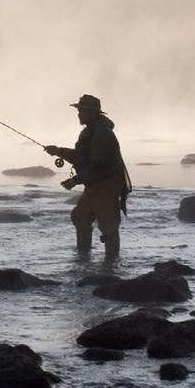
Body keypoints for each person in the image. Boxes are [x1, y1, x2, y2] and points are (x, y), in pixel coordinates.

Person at [44, 94, 131, 264]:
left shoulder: (102, 135)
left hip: (106, 185)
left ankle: (111, 264)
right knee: (80, 217)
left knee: (108, 227)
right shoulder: (89, 131)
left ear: (93, 113)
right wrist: (59, 151)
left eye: (82, 111)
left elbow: (99, 167)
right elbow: (81, 157)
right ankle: (83, 257)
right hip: (94, 185)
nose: (78, 114)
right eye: (78, 110)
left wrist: (75, 180)